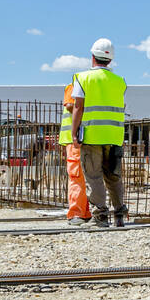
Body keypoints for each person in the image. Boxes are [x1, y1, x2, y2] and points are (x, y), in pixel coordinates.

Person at [68, 37, 128, 227]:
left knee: (94, 178)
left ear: (92, 56)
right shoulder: (120, 81)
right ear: (110, 60)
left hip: (93, 136)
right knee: (114, 177)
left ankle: (100, 217)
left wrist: (74, 133)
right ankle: (119, 217)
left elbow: (78, 107)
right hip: (114, 137)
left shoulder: (82, 78)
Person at [59, 79, 90, 222]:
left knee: (81, 177)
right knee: (78, 176)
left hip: (79, 139)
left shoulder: (80, 86)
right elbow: (71, 105)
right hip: (75, 139)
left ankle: (81, 212)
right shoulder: (73, 86)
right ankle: (79, 212)